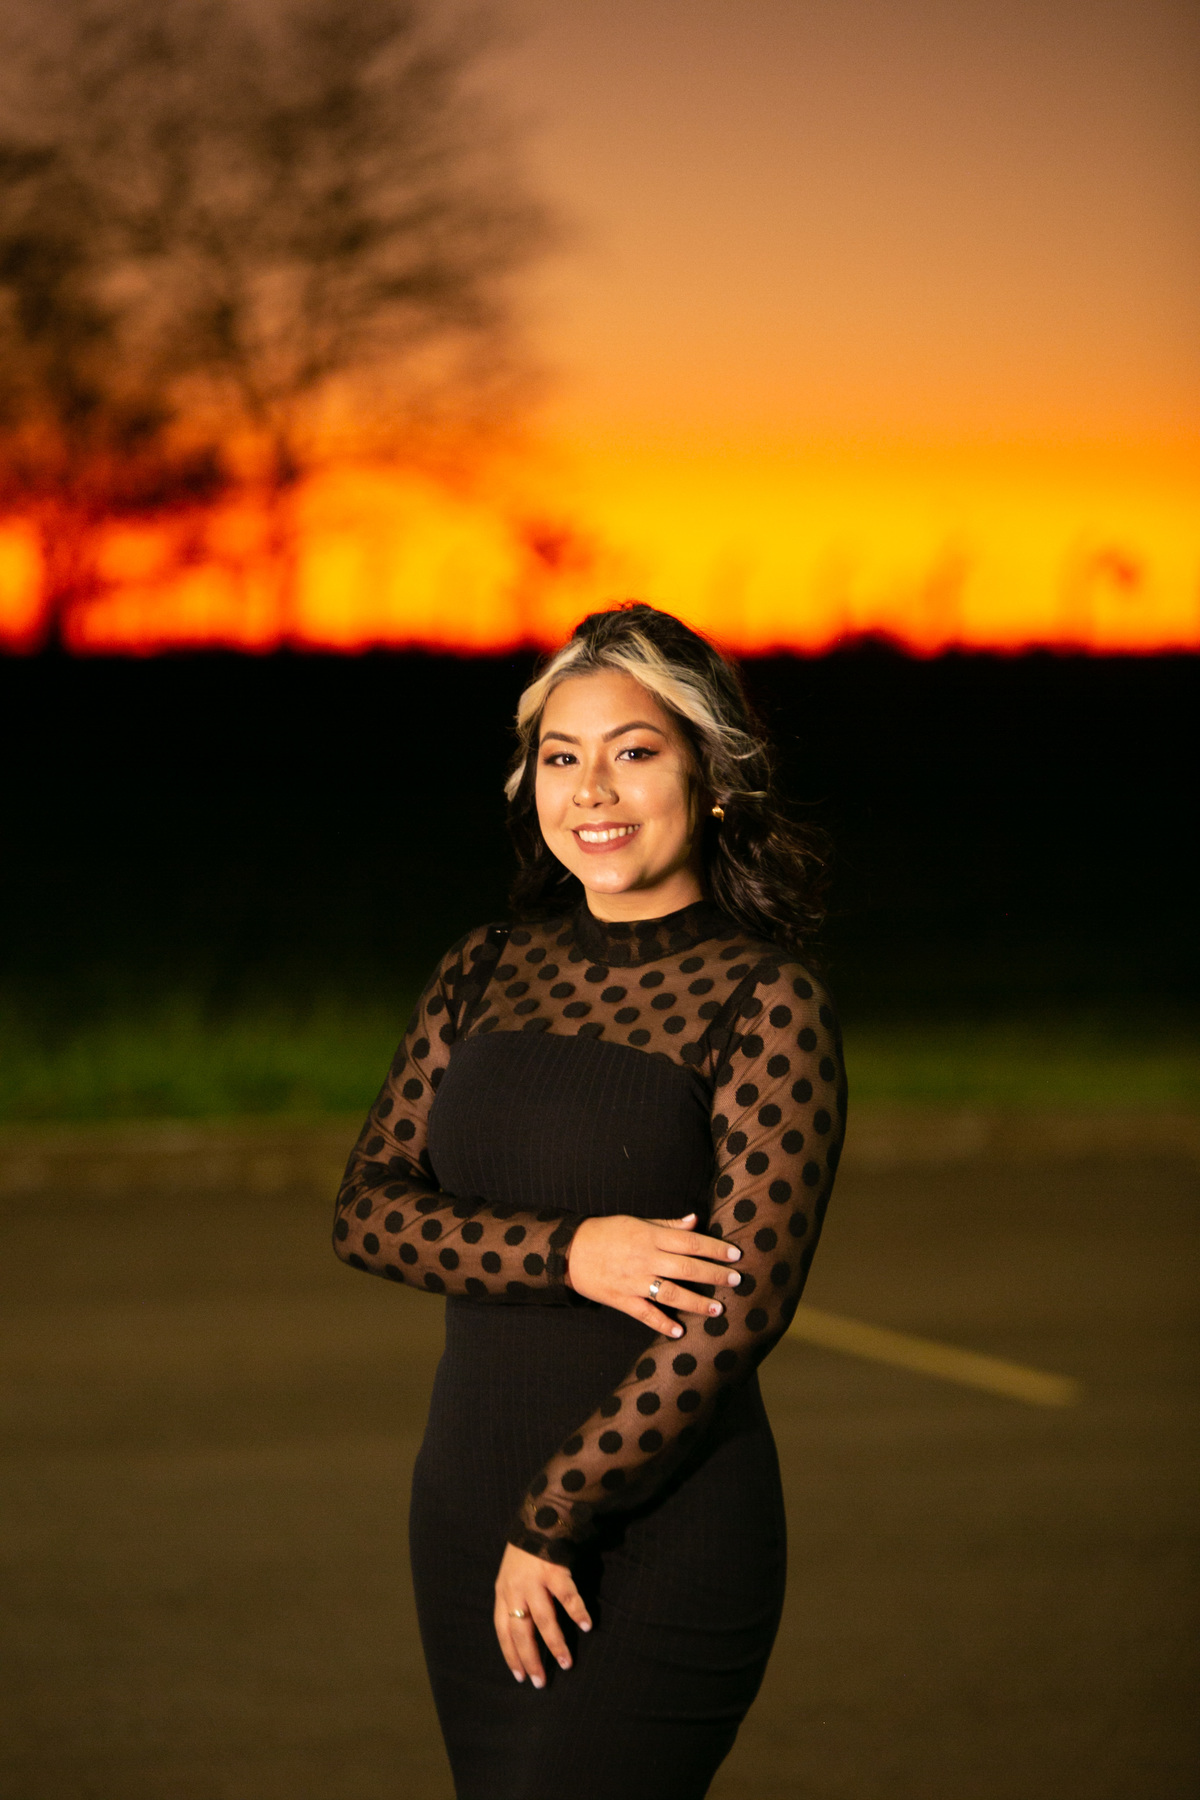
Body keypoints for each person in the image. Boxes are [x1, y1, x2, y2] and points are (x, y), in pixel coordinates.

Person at [333, 602, 846, 1800]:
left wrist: (556, 1512)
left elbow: (739, 1312)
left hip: (655, 1526)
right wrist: (571, 1253)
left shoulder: (766, 1002)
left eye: (634, 750)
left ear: (709, 777)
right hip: (464, 1508)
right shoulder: (482, 970)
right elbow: (367, 1211)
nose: (593, 790)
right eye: (562, 757)